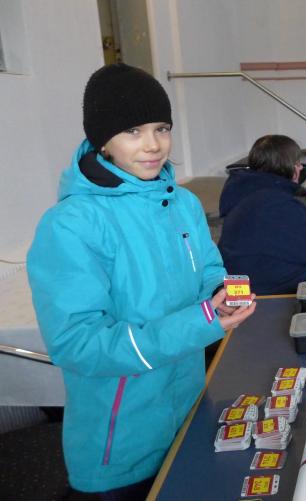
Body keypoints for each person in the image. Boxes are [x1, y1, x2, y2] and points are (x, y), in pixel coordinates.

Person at [27, 63, 257, 498]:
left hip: (190, 417)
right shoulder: (71, 224)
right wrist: (199, 322)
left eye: (161, 129)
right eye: (133, 131)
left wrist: (220, 293)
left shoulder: (183, 203)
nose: (153, 145)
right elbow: (78, 344)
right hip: (120, 446)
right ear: (102, 140)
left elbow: (209, 268)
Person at [218, 135, 306, 295]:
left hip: (243, 290)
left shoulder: (250, 193)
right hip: (266, 298)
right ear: (289, 167)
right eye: (298, 164)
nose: (300, 168)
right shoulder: (274, 202)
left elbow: (298, 237)